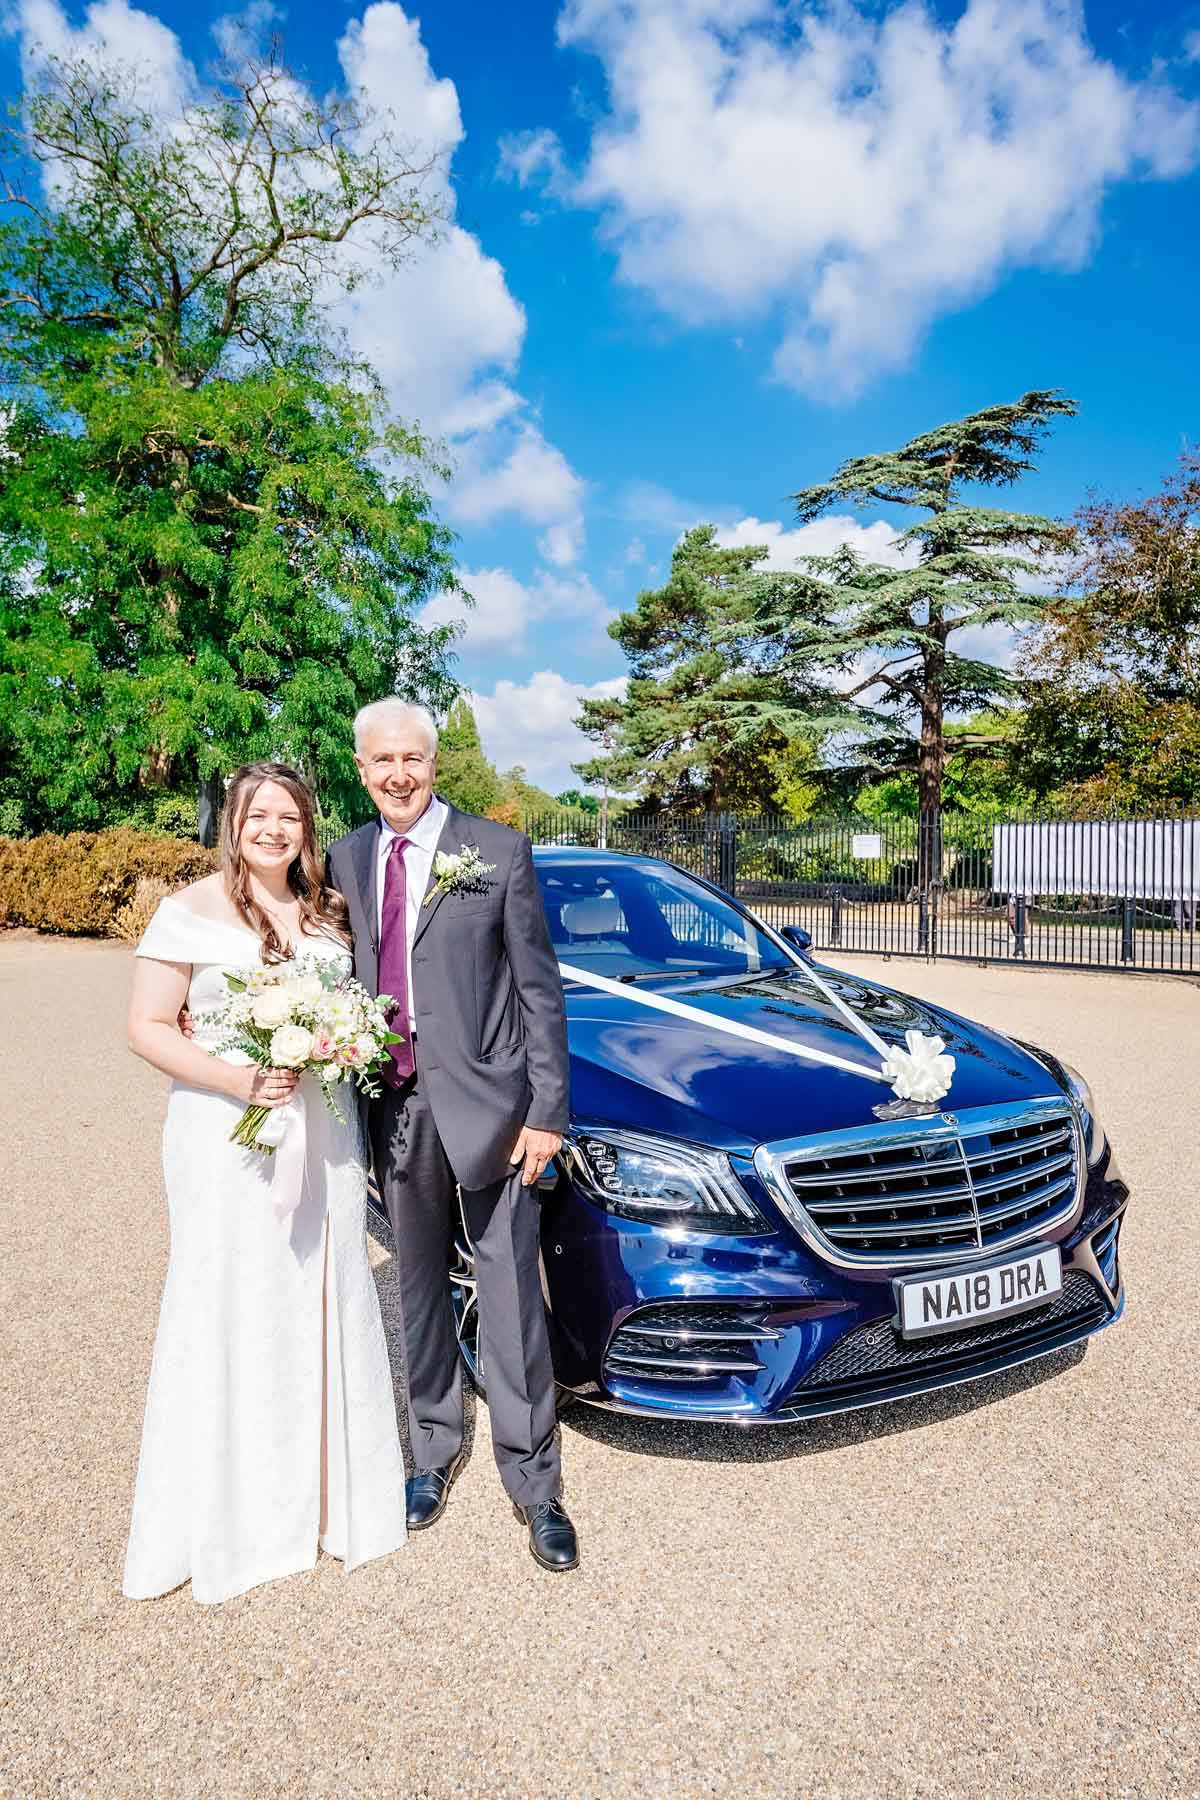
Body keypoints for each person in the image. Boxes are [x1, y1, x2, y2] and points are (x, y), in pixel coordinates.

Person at [124, 762, 406, 1605]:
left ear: (306, 828)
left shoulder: (328, 915)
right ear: (233, 823)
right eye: (259, 815)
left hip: (324, 1136)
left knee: (322, 1291)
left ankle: (326, 1503)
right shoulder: (188, 910)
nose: (274, 829)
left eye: (289, 816)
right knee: (231, 1297)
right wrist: (237, 1080)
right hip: (226, 1138)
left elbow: (362, 1011)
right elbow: (144, 1026)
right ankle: (234, 1517)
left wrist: (339, 1042)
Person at [326, 698, 578, 1572]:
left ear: (435, 764)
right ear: (361, 768)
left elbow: (540, 989)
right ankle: (431, 1452)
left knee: (510, 1294)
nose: (399, 774)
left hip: (497, 1111)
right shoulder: (348, 857)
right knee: (421, 1292)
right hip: (394, 1109)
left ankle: (536, 1483)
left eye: (413, 759)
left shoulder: (498, 850)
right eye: (382, 760)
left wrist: (547, 1110)